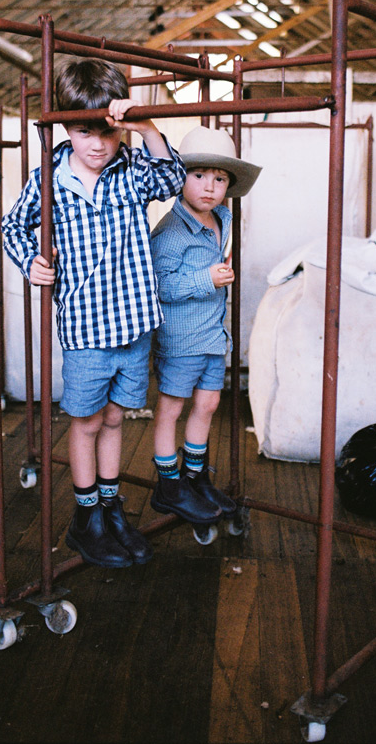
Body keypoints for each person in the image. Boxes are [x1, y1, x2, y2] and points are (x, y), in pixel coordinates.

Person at [2, 58, 186, 569]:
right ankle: (85, 520)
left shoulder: (131, 171)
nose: (99, 144)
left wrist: (145, 125)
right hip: (86, 329)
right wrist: (32, 263)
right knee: (84, 424)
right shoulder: (48, 180)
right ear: (66, 126)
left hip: (134, 326)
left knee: (114, 418)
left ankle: (110, 508)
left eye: (107, 130)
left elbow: (173, 179)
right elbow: (12, 228)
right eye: (85, 132)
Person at [149, 125, 261, 527]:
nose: (210, 187)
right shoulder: (170, 232)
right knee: (171, 408)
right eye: (198, 175)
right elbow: (157, 286)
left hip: (214, 336)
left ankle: (195, 478)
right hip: (181, 338)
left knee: (210, 403)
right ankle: (169, 483)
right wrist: (205, 279)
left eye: (220, 178)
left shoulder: (221, 219)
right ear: (179, 177)